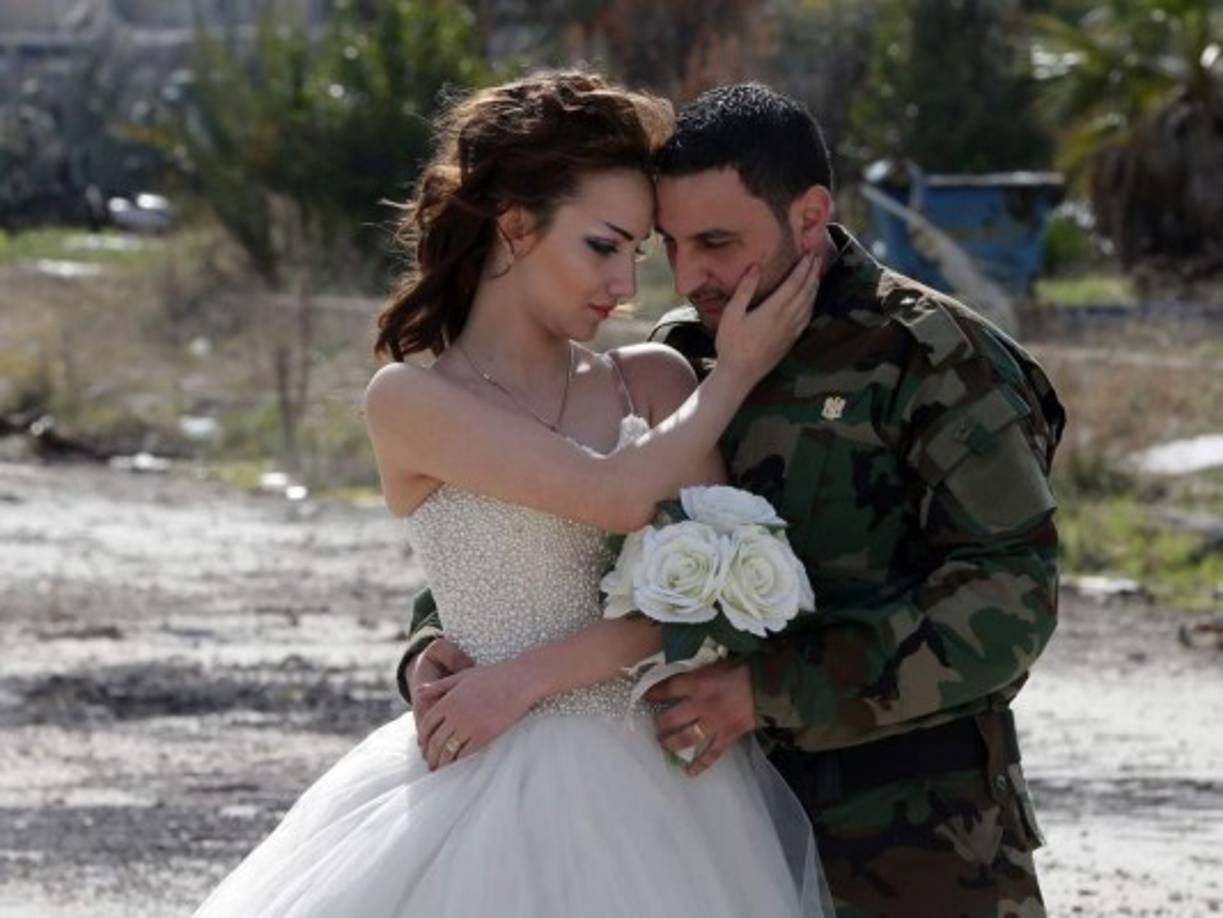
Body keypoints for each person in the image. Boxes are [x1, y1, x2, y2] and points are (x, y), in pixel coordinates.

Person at [399, 83, 1066, 917]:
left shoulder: (933, 357)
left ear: (810, 215)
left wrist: (768, 691)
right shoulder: (680, 355)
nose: (689, 276)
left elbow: (1010, 599)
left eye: (716, 241)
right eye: (670, 245)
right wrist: (437, 638)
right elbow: (556, 530)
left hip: (914, 835)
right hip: (701, 816)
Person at [192, 71, 831, 917]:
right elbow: (609, 496)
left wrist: (524, 681)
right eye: (602, 246)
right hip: (471, 780)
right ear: (516, 225)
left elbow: (706, 600)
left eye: (636, 255)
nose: (626, 289)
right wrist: (739, 372)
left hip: (660, 796)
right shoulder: (412, 402)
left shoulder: (655, 380)